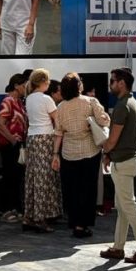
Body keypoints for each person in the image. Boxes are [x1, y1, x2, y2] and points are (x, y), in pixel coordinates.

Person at [99, 68, 136, 263]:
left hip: (123, 162)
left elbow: (113, 138)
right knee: (123, 206)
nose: (110, 85)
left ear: (121, 83)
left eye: (112, 81)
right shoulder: (132, 102)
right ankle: (118, 247)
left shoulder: (123, 106)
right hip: (127, 159)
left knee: (128, 205)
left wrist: (105, 151)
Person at [52, 72, 110, 238]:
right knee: (88, 189)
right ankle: (83, 224)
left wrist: (55, 154)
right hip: (89, 151)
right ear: (79, 86)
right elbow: (104, 121)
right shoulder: (90, 102)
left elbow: (58, 132)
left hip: (69, 153)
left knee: (72, 190)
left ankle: (75, 222)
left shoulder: (61, 107)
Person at [23, 68, 62, 233]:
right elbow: (57, 121)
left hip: (32, 139)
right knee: (44, 179)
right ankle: (41, 218)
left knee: (32, 178)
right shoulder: (47, 99)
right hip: (45, 139)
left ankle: (29, 216)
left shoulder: (29, 98)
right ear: (44, 82)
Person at [0, 73, 29, 223]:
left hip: (18, 144)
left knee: (16, 177)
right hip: (10, 145)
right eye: (23, 86)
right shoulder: (8, 101)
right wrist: (11, 138)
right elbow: (0, 122)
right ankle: (5, 209)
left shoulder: (19, 101)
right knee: (9, 176)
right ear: (16, 85)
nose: (25, 89)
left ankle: (14, 207)